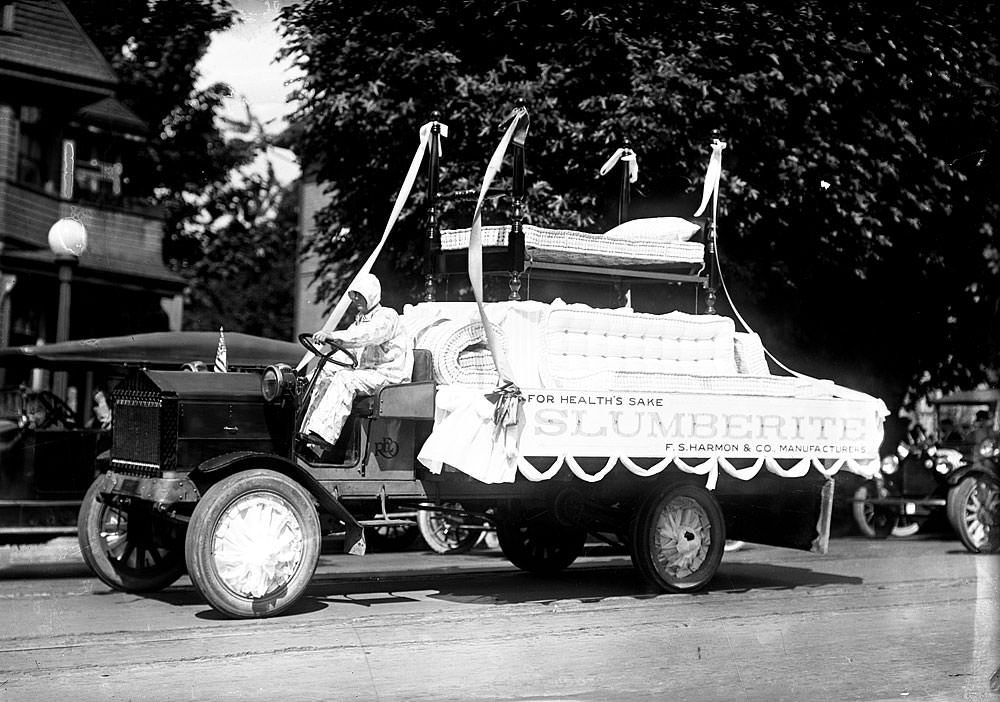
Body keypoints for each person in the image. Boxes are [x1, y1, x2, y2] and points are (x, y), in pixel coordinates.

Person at [301, 273, 413, 448]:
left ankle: (323, 436)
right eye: (353, 295)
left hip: (390, 376)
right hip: (368, 374)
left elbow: (367, 335)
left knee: (345, 379)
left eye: (360, 295)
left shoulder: (386, 316)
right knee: (324, 375)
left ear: (371, 294)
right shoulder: (360, 322)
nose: (356, 299)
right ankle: (307, 437)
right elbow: (346, 354)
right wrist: (311, 377)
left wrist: (333, 336)